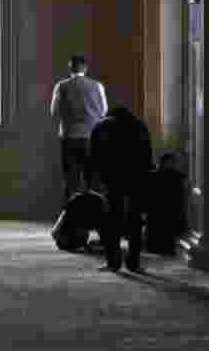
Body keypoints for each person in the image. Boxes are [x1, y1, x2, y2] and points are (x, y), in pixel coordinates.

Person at [89, 106, 153, 272]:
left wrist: (98, 177)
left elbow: (94, 155)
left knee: (112, 219)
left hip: (112, 178)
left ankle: (113, 262)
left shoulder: (102, 126)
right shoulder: (139, 126)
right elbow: (147, 156)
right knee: (135, 219)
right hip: (136, 177)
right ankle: (134, 263)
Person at [50, 54, 108, 205]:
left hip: (69, 137)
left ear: (70, 68)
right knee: (93, 181)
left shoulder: (61, 86)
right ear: (85, 68)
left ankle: (71, 218)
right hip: (91, 137)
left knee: (71, 180)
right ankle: (95, 216)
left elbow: (54, 111)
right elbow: (103, 112)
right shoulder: (97, 86)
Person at [143, 152, 189, 255]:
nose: (174, 164)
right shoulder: (176, 176)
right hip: (167, 209)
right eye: (172, 161)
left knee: (160, 228)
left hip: (159, 209)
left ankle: (157, 246)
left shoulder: (154, 175)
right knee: (167, 229)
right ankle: (164, 247)